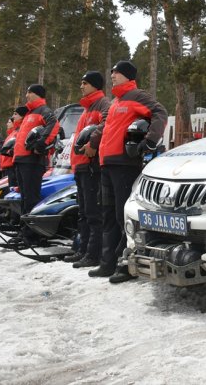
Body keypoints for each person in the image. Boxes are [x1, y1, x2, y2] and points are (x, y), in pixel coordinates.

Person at [88, 60, 167, 284]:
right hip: (106, 163)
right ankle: (107, 263)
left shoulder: (137, 96)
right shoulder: (115, 101)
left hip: (124, 164)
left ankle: (126, 265)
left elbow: (160, 112)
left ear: (128, 76)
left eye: (117, 73)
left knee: (124, 217)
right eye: (112, 72)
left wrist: (150, 140)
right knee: (108, 215)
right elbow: (106, 128)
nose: (112, 75)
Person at [63, 71, 110, 268]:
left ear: (95, 85)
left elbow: (107, 123)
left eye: (85, 83)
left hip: (91, 166)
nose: (81, 86)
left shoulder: (103, 104)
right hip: (80, 166)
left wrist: (93, 142)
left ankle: (93, 253)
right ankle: (82, 249)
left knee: (93, 212)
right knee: (83, 212)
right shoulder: (86, 108)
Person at [13, 84, 60, 216]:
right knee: (24, 198)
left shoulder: (43, 110)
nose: (27, 95)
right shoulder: (29, 113)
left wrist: (41, 143)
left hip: (32, 161)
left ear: (38, 94)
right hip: (21, 160)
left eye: (30, 92)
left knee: (31, 198)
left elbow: (54, 124)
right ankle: (25, 232)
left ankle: (32, 235)